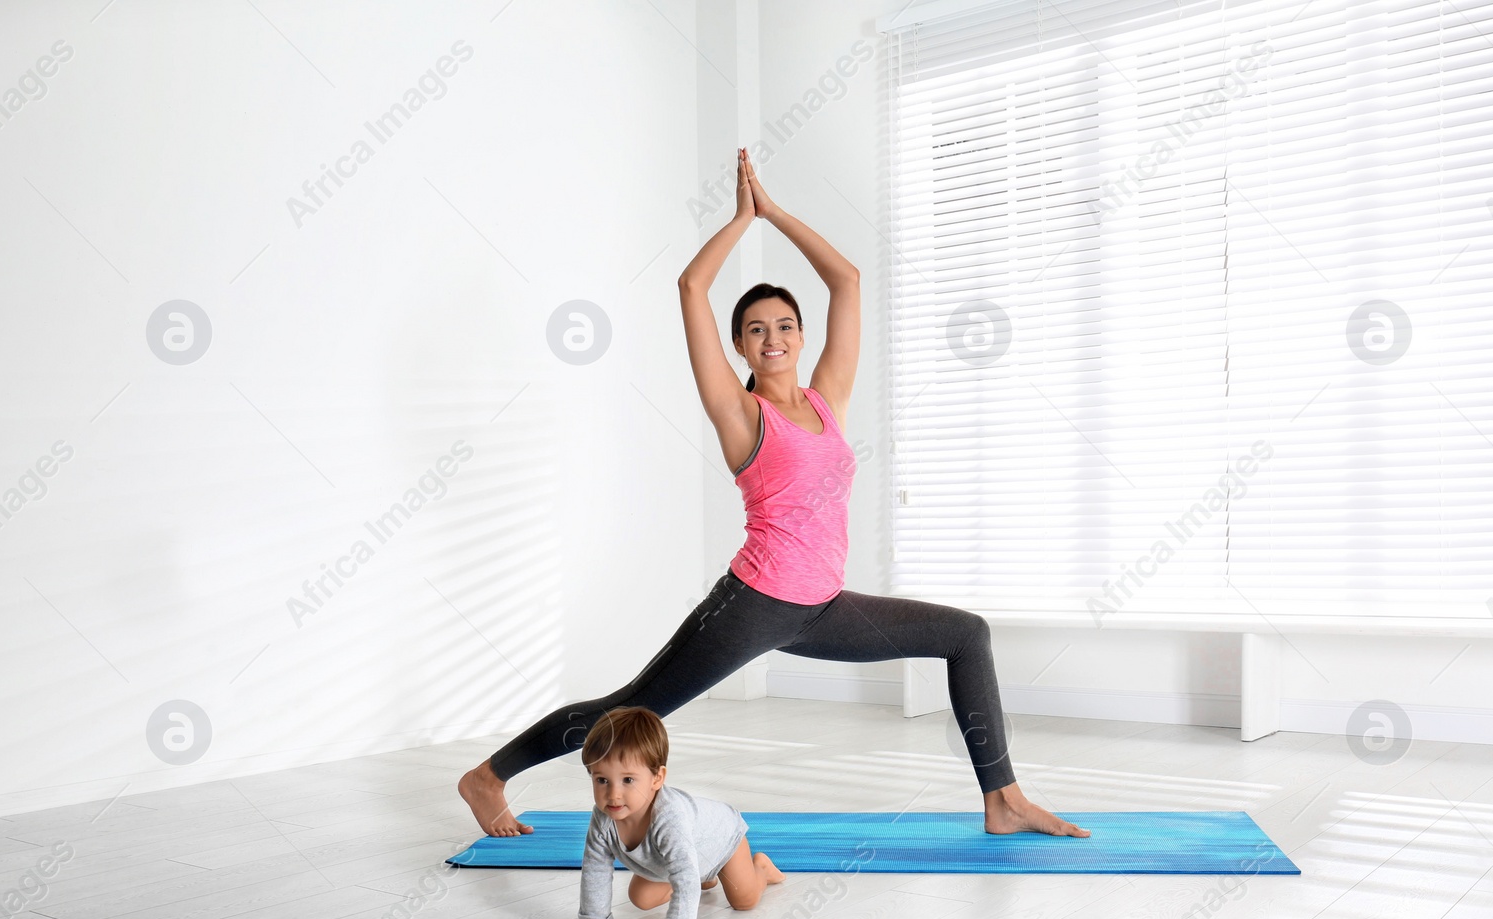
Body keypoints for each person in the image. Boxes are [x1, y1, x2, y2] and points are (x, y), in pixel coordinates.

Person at [459, 146, 1090, 842]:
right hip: (753, 604)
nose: (773, 337)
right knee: (636, 708)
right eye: (756, 329)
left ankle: (1002, 798)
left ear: (800, 334)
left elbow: (846, 280)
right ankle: (488, 777)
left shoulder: (828, 402)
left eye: (784, 325)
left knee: (965, 634)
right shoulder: (741, 414)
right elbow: (690, 287)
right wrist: (740, 220)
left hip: (823, 606)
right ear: (739, 345)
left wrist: (776, 212)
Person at [576, 706, 785, 919]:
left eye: (628, 780)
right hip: (680, 859)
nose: (613, 794)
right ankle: (704, 879)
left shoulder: (669, 818)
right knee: (640, 898)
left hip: (720, 843)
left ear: (657, 778)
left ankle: (761, 868)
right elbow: (595, 869)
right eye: (602, 780)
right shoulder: (603, 819)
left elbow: (684, 876)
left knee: (744, 900)